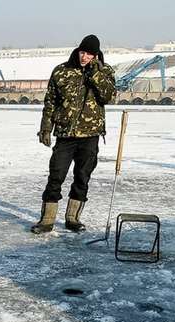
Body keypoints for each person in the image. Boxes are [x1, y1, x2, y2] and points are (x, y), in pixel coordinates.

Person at [33, 35, 116, 234]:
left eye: (89, 54)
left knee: (82, 177)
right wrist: (46, 127)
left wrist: (95, 74)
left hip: (90, 134)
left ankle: (73, 218)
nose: (84, 57)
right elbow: (50, 101)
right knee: (56, 176)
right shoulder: (62, 71)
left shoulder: (105, 72)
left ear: (95, 55)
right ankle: (46, 220)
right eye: (82, 52)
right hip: (65, 134)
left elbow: (108, 97)